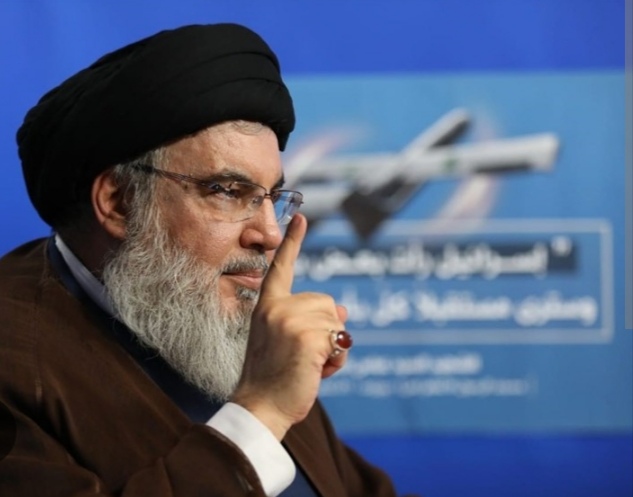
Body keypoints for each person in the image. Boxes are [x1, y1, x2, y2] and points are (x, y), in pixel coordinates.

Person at [0, 23, 412, 496]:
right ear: (119, 203)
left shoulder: (225, 325)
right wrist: (263, 411)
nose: (269, 235)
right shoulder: (11, 362)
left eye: (271, 197)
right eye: (227, 191)